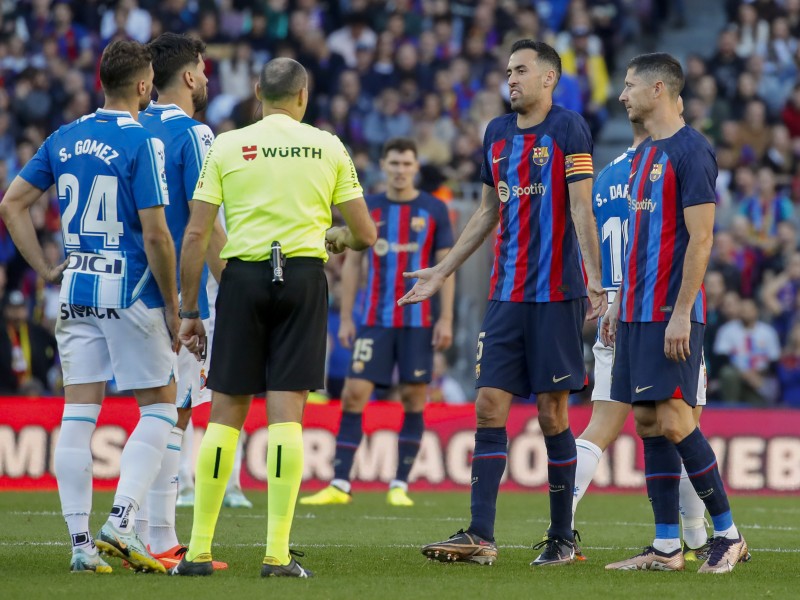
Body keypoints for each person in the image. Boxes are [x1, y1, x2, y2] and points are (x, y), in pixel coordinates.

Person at [400, 40, 606, 567]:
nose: (510, 79)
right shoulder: (494, 134)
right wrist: (443, 269)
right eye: (507, 70)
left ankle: (563, 538)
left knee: (551, 412)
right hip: (505, 296)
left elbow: (581, 207)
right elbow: (489, 211)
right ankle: (480, 535)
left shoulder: (568, 129)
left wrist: (595, 279)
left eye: (521, 71)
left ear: (549, 80)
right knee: (489, 404)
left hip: (556, 295)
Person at [170, 57, 376, 578]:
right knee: (287, 417)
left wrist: (190, 309)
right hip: (303, 279)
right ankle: (277, 555)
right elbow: (366, 234)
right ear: (304, 96)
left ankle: (196, 553)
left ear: (258, 91)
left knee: (224, 417)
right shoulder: (328, 146)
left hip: (241, 280)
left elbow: (195, 236)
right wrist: (339, 237)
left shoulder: (226, 143)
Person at [0, 39, 180, 574]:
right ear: (145, 86)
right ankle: (121, 522)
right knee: (161, 409)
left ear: (101, 79)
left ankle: (80, 544)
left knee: (78, 415)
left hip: (74, 288)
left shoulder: (64, 136)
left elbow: (12, 203)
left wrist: (43, 267)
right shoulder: (142, 141)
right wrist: (174, 305)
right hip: (129, 290)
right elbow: (156, 236)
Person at [602, 53, 749, 573]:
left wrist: (682, 312)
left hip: (671, 310)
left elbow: (702, 238)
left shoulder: (692, 151)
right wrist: (618, 301)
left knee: (674, 416)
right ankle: (667, 547)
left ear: (657, 89)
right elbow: (642, 240)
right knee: (646, 421)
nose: (622, 96)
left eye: (628, 86)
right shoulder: (642, 155)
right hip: (637, 309)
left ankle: (728, 534)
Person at [571, 117, 713, 561]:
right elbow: (686, 239)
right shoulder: (666, 164)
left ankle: (561, 523)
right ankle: (699, 535)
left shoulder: (607, 176)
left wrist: (601, 289)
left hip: (616, 309)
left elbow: (589, 236)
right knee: (683, 423)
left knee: (602, 429)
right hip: (657, 310)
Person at [300, 137, 454, 508]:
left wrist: (445, 318)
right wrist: (348, 316)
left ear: (416, 168)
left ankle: (399, 483)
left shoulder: (434, 209)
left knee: (415, 397)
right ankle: (339, 483)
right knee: (354, 394)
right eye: (394, 163)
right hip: (373, 319)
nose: (400, 170)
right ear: (383, 166)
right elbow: (354, 264)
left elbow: (446, 268)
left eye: (407, 164)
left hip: (417, 321)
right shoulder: (368, 207)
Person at [136, 32, 229, 571]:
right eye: (203, 68)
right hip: (179, 295)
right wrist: (233, 288)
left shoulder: (129, 126)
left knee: (140, 411)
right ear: (190, 76)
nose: (207, 76)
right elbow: (204, 227)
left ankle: (127, 530)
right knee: (176, 413)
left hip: (124, 290)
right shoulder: (196, 134)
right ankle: (157, 535)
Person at [0, 289, 57, 394]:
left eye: (20, 308)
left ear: (26, 310)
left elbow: (54, 346)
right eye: (13, 308)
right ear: (6, 310)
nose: (17, 313)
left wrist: (46, 364)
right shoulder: (2, 332)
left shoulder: (37, 331)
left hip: (34, 386)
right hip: (6, 388)